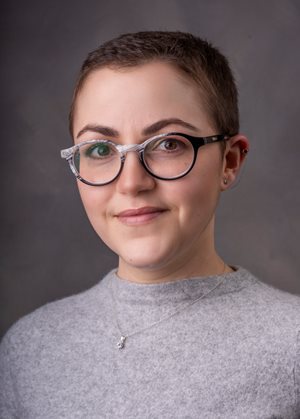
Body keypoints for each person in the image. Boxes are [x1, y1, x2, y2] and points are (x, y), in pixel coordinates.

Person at [0, 31, 299, 418]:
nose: (131, 183)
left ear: (229, 162)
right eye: (101, 150)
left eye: (168, 144)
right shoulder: (29, 348)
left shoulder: (291, 345)